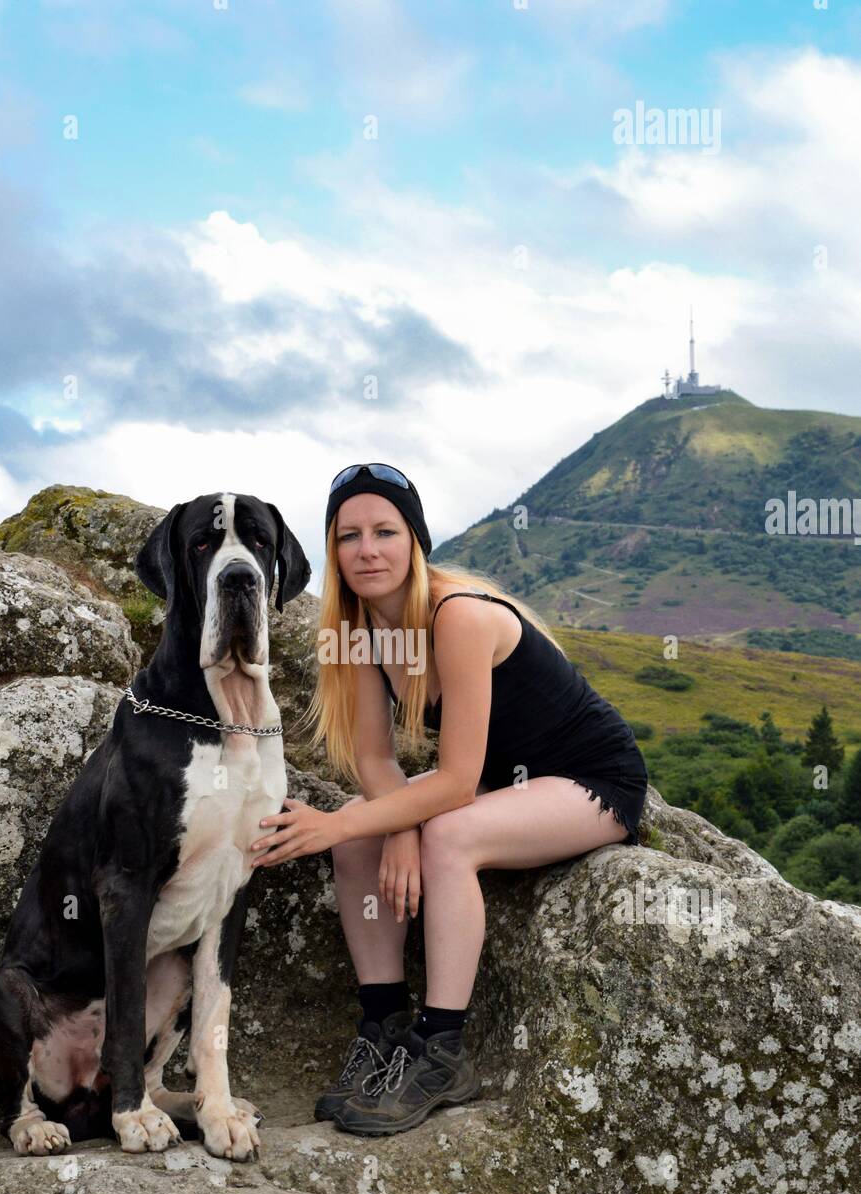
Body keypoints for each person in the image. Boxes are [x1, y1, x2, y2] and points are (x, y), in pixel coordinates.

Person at [247, 463, 648, 1136]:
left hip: (590, 782)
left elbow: (456, 783)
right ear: (333, 550)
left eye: (385, 531)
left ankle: (443, 1051)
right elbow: (375, 759)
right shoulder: (356, 632)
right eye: (349, 536)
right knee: (358, 833)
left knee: (446, 836)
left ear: (415, 541)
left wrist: (408, 824)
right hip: (504, 787)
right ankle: (382, 1027)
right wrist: (389, 829)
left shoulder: (456, 615)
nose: (367, 550)